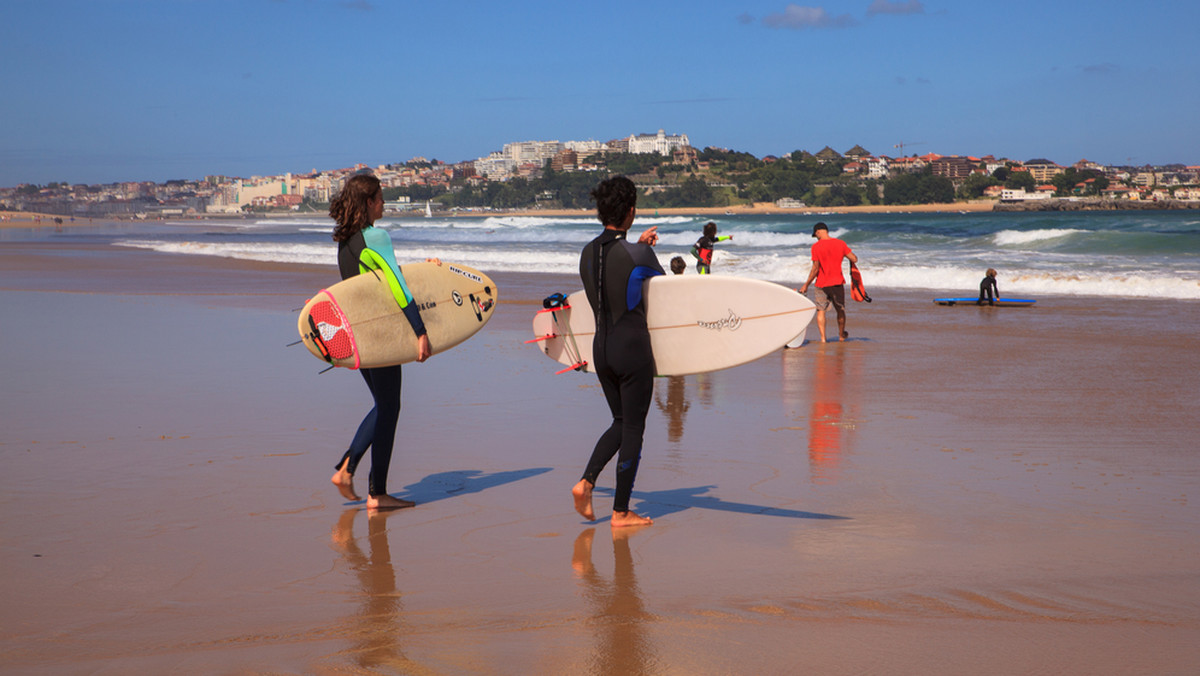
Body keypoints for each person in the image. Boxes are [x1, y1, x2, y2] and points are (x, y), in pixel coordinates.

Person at [328, 173, 437, 510]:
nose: (384, 203)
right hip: (382, 336)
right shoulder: (378, 237)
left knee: (384, 406)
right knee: (390, 407)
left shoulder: (347, 243)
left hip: (358, 336)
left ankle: (356, 474)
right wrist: (420, 331)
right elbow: (397, 287)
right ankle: (369, 486)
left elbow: (378, 277)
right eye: (380, 197)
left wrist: (426, 270)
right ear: (369, 202)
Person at [572, 176, 664, 528]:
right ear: (630, 211)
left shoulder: (586, 253)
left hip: (601, 350)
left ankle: (586, 482)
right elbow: (658, 284)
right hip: (631, 349)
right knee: (634, 427)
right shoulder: (639, 253)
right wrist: (644, 246)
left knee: (621, 421)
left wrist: (635, 244)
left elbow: (613, 272)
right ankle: (621, 511)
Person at [799, 222, 858, 343]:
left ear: (818, 232)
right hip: (837, 282)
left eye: (816, 236)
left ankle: (823, 339)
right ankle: (841, 335)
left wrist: (806, 285)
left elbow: (815, 268)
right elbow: (854, 259)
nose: (816, 238)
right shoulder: (840, 243)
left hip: (821, 283)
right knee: (840, 309)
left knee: (821, 310)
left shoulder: (816, 247)